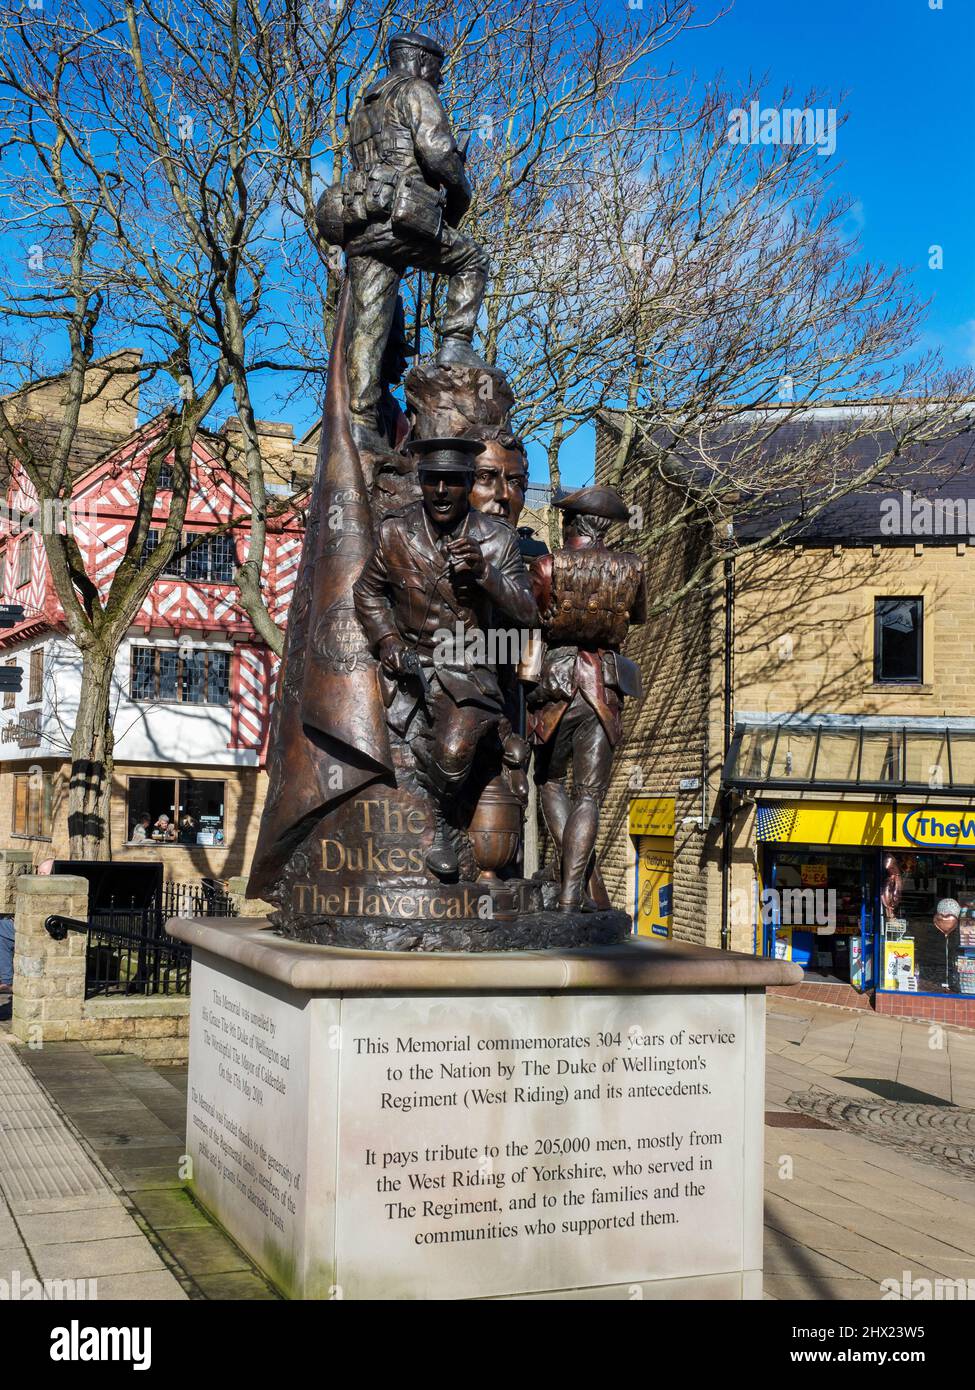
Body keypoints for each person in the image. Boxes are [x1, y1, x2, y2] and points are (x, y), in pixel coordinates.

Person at [353, 436, 538, 875]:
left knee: (453, 755)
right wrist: (388, 642)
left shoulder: (497, 540)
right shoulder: (395, 531)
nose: (440, 492)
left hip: (469, 665)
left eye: (451, 482)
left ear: (468, 484)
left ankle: (440, 814)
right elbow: (367, 592)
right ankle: (431, 823)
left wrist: (485, 573)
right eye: (432, 481)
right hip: (410, 664)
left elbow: (528, 611)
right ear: (421, 482)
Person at [318, 30, 490, 454]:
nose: (440, 79)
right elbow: (437, 152)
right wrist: (461, 187)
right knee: (471, 261)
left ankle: (360, 423)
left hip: (362, 228)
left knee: (370, 323)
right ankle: (457, 343)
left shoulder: (364, 106)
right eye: (437, 68)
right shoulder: (415, 91)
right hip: (404, 220)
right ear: (417, 61)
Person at [527, 485, 646, 911]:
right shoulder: (632, 568)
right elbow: (640, 616)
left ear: (571, 523)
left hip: (555, 685)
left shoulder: (546, 565)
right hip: (604, 688)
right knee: (590, 795)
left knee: (550, 782)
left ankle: (569, 886)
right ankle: (571, 893)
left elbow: (532, 616)